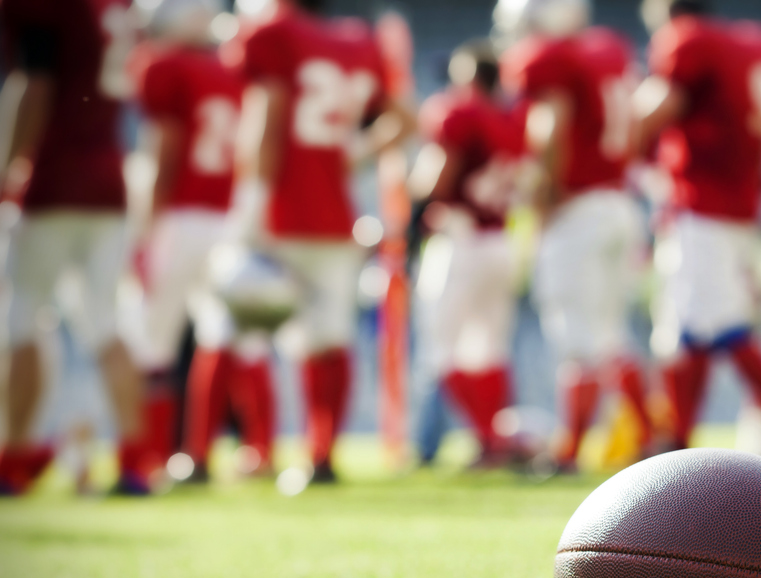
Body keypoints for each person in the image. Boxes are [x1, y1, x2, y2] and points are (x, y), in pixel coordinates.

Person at [231, 0, 411, 484]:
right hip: (336, 214)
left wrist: (252, 202)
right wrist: (347, 155)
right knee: (330, 336)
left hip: (283, 209)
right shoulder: (357, 40)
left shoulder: (271, 32)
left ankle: (258, 450)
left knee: (240, 332)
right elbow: (404, 119)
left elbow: (267, 119)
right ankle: (322, 454)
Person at [634, 0, 761, 463]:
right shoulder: (757, 42)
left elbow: (655, 110)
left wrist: (621, 148)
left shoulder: (689, 38)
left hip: (703, 203)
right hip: (741, 202)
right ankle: (676, 436)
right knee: (687, 323)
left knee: (718, 323)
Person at [0, 0, 148, 495]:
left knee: (23, 316)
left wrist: (8, 167)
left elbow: (36, 86)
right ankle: (133, 456)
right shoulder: (116, 7)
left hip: (57, 177)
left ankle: (15, 454)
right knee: (105, 321)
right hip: (110, 174)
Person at [499, 0, 653, 473]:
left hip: (579, 209)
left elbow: (551, 127)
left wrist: (544, 195)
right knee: (610, 336)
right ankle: (652, 432)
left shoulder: (550, 58)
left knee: (575, 337)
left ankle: (570, 450)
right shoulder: (608, 50)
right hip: (618, 202)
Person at [130, 0, 277, 484]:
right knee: (235, 338)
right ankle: (253, 450)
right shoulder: (234, 69)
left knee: (155, 341)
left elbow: (164, 151)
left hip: (181, 216)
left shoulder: (165, 65)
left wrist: (145, 228)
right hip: (230, 218)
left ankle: (152, 457)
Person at [409, 41, 525, 468]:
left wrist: (413, 200)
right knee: (488, 351)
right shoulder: (514, 120)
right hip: (500, 239)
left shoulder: (460, 112)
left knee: (439, 349)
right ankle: (493, 440)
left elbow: (436, 180)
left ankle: (489, 438)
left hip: (460, 239)